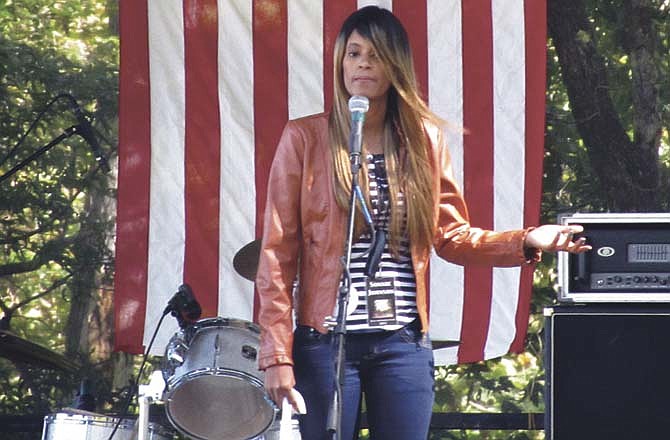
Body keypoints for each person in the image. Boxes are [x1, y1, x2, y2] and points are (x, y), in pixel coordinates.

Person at [255, 6, 590, 440]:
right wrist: (278, 354)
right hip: (326, 344)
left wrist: (528, 239)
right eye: (353, 54)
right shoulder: (306, 138)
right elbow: (277, 254)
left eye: (375, 56)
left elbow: (452, 236)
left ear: (395, 65)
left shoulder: (423, 140)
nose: (362, 65)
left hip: (401, 342)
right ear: (340, 63)